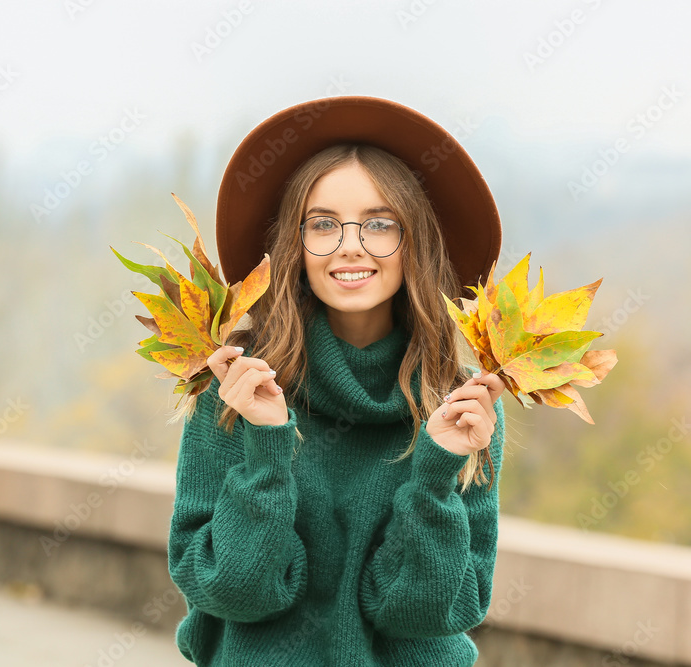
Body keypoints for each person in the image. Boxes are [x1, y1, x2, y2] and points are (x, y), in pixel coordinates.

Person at [167, 95, 508, 666]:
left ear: (415, 242)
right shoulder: (234, 389)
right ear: (293, 247)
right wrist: (267, 445)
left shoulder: (462, 407)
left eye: (380, 224)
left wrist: (435, 474)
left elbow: (425, 615)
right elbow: (234, 592)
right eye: (322, 224)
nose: (351, 245)